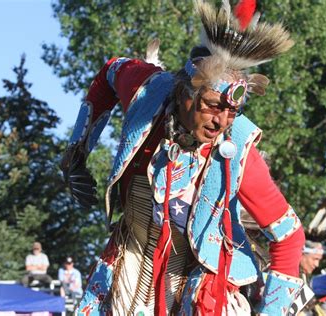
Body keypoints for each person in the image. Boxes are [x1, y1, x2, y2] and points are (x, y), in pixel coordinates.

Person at [62, 0, 305, 314]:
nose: (221, 121)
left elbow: (289, 235)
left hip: (199, 288)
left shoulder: (238, 151)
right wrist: (76, 152)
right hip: (127, 266)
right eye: (213, 106)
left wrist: (271, 312)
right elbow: (112, 70)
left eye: (233, 111)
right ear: (183, 94)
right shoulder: (148, 93)